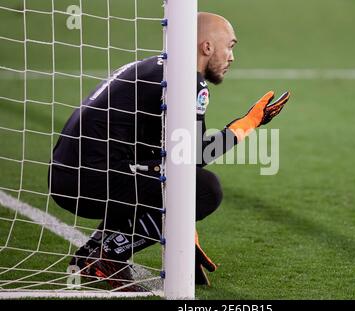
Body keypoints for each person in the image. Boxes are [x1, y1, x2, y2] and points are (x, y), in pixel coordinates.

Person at [49, 12, 290, 291]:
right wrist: (248, 123)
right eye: (230, 46)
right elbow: (195, 157)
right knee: (205, 189)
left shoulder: (156, 68)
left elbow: (174, 156)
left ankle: (90, 253)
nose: (232, 57)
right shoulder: (187, 80)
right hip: (91, 180)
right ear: (207, 47)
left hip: (69, 176)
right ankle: (108, 258)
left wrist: (184, 231)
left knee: (163, 173)